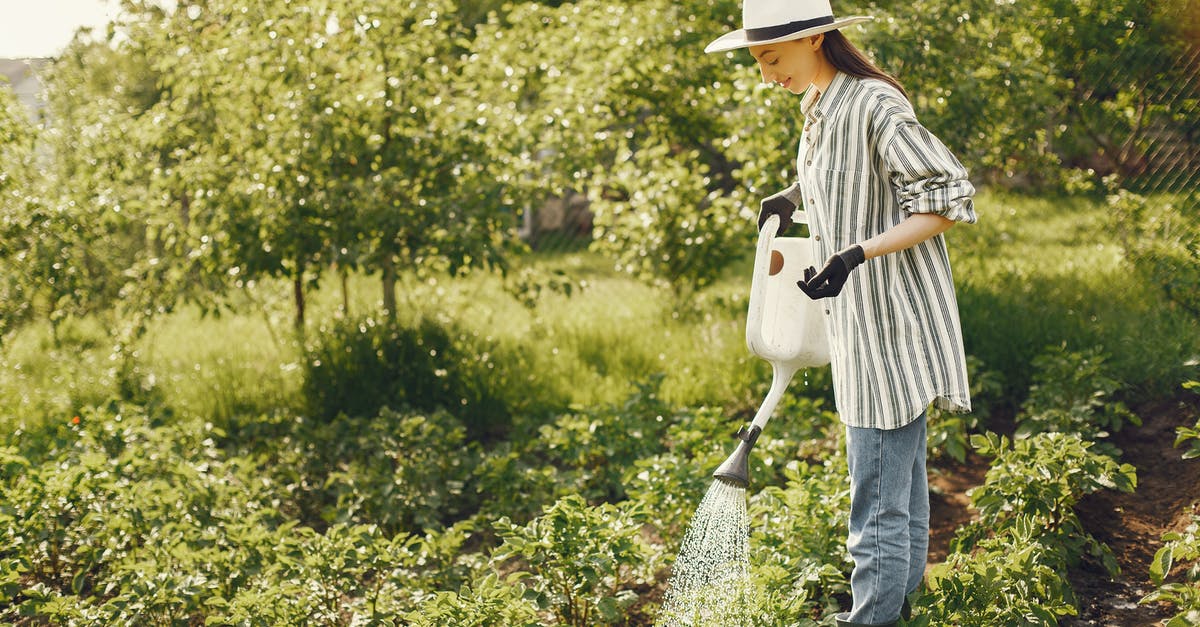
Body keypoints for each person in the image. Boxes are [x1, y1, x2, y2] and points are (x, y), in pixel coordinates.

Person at [706, 1, 978, 626]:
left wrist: (858, 252)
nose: (766, 75)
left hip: (890, 321)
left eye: (772, 58)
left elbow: (947, 197)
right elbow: (852, 177)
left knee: (876, 504)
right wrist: (793, 193)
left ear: (816, 39)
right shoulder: (821, 106)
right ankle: (898, 611)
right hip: (856, 320)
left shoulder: (874, 104)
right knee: (899, 493)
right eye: (758, 61)